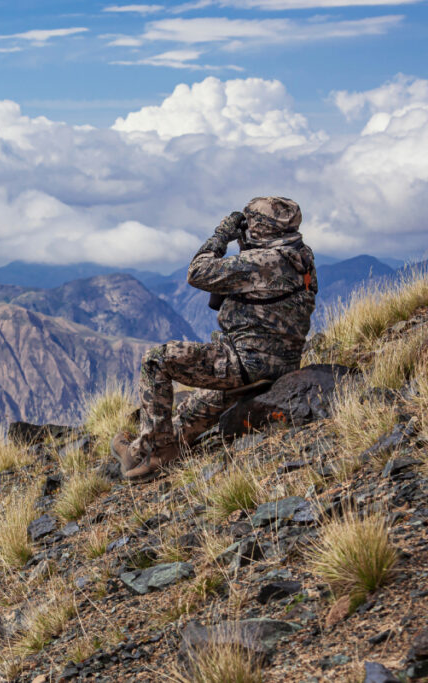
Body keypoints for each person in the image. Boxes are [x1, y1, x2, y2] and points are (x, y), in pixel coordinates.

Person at [111, 197, 318, 482]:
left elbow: (196, 272)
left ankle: (157, 454)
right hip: (283, 363)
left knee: (156, 361)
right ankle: (136, 451)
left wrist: (221, 235)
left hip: (245, 365)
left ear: (259, 227)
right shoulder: (301, 255)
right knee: (186, 415)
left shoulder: (258, 263)